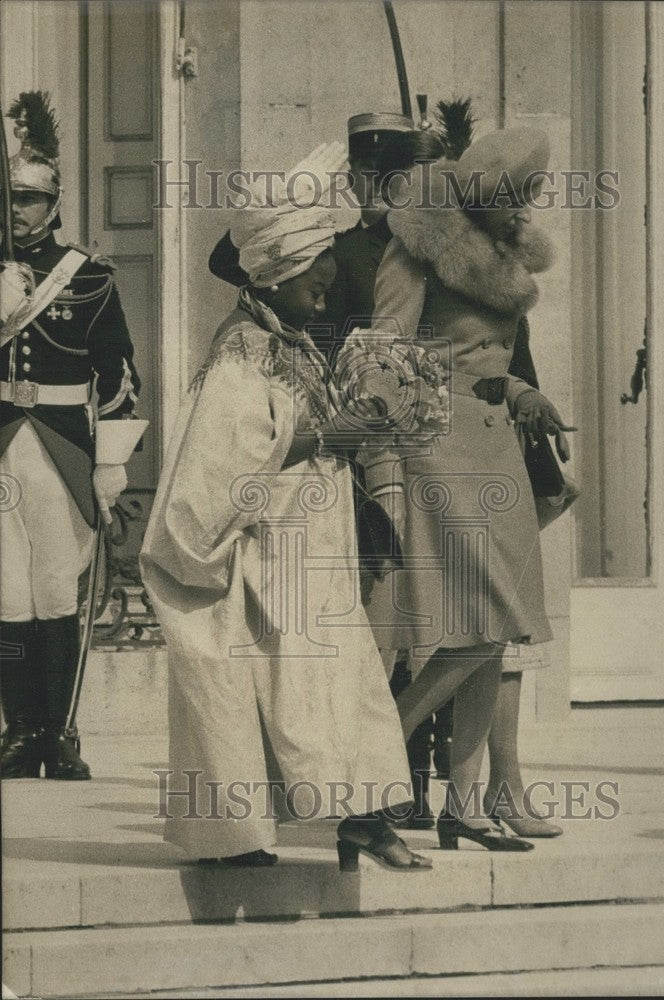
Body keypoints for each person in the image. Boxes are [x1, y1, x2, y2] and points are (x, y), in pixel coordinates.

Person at [139, 142, 431, 872]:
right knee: (255, 697)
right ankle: (235, 838)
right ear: (277, 275)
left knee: (345, 685)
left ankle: (364, 816)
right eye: (317, 287)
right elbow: (219, 471)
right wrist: (330, 435)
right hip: (262, 560)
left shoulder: (286, 339)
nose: (326, 298)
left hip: (312, 554)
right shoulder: (241, 354)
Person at [360, 127, 575, 851]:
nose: (530, 206)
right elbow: (384, 354)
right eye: (523, 192)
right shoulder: (417, 245)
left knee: (499, 627)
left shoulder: (504, 247)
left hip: (497, 449)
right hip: (437, 449)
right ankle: (375, 753)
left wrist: (519, 391)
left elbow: (485, 360)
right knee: (481, 624)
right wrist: (385, 463)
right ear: (491, 191)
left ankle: (465, 803)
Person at [0, 91, 141, 780]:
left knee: (56, 588)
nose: (17, 209)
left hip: (59, 448)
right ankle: (20, 730)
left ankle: (59, 733)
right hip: (2, 445)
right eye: (10, 198)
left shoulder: (87, 278)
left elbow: (119, 376)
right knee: (7, 591)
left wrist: (110, 461)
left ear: (54, 205)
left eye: (30, 199)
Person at [207, 111, 415, 356]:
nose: (379, 182)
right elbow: (225, 264)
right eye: (369, 171)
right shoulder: (322, 249)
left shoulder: (422, 255)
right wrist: (284, 198)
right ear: (350, 180)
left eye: (391, 173)